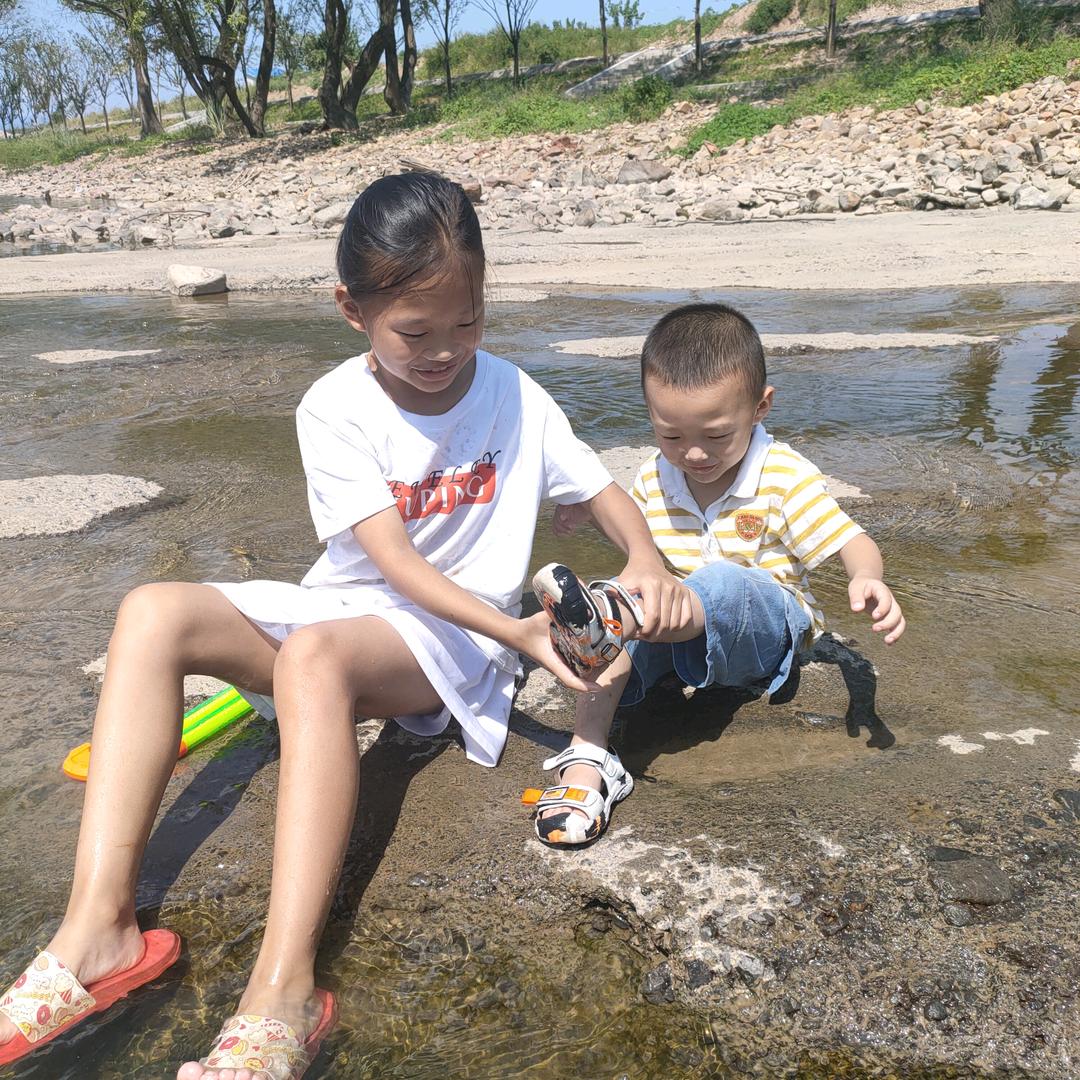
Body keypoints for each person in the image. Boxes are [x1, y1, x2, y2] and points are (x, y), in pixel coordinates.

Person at [0, 173, 680, 1080]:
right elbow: (389, 561)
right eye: (415, 333)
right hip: (358, 607)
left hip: (455, 636)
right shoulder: (332, 406)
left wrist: (643, 559)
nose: (445, 351)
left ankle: (282, 988)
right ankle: (97, 930)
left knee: (314, 659)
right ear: (352, 310)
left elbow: (598, 488)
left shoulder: (516, 395)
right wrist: (525, 632)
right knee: (151, 611)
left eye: (467, 322)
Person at [525, 302, 906, 848]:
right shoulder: (656, 476)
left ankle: (610, 619)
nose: (694, 453)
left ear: (760, 407)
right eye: (671, 436)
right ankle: (587, 758)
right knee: (620, 631)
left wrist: (867, 577)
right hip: (677, 622)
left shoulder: (782, 475)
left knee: (721, 580)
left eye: (716, 434)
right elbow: (638, 541)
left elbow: (850, 539)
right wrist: (586, 510)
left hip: (767, 630)